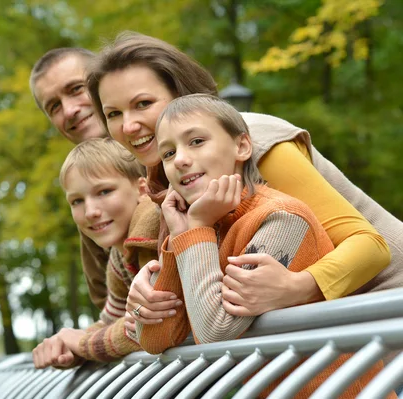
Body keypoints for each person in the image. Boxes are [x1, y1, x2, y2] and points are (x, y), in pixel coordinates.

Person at [85, 31, 400, 326]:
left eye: (143, 104)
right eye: (113, 114)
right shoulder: (168, 179)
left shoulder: (254, 139)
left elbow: (370, 245)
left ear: (181, 94)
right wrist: (145, 302)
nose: (128, 126)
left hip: (387, 309)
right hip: (340, 336)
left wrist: (298, 287)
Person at [132, 93, 394, 399]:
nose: (180, 159)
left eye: (197, 141)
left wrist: (196, 229)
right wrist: (181, 237)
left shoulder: (282, 218)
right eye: (167, 153)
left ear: (242, 146)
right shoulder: (199, 230)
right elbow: (154, 339)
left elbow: (215, 333)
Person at [32, 138, 160, 368]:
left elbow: (153, 323)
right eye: (77, 201)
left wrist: (83, 344)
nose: (90, 211)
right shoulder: (119, 257)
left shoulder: (152, 229)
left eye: (104, 191)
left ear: (142, 189)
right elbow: (112, 320)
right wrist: (65, 344)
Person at [30, 48, 111, 310]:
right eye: (54, 106)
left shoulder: (178, 150)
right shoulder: (86, 196)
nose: (69, 110)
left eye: (76, 89)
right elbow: (108, 300)